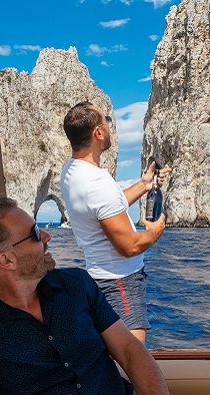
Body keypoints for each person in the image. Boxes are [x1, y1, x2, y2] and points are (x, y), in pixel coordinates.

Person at [0, 198, 186, 395]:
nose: (47, 236)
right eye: (34, 233)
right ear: (6, 261)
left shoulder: (77, 285)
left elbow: (130, 351)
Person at [60, 101, 171, 343]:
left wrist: (144, 184)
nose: (110, 127)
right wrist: (156, 230)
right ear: (98, 133)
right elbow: (129, 246)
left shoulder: (71, 171)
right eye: (107, 121)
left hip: (102, 277)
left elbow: (110, 207)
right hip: (120, 282)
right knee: (133, 357)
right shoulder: (96, 183)